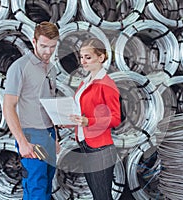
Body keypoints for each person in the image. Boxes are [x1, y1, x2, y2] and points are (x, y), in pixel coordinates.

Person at [3, 21, 60, 200]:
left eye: (52, 47)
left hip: (48, 135)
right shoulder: (20, 68)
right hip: (32, 137)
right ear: (33, 42)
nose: (48, 52)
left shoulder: (51, 68)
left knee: (47, 184)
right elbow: (8, 106)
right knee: (36, 187)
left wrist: (55, 136)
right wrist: (22, 142)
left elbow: (48, 105)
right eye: (43, 46)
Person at [70, 38, 121, 200]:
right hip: (85, 144)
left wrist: (88, 122)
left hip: (100, 149)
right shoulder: (84, 83)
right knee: (97, 195)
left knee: (102, 197)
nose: (83, 61)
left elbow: (115, 119)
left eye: (88, 57)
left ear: (101, 57)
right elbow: (81, 110)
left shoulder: (107, 84)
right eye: (81, 57)